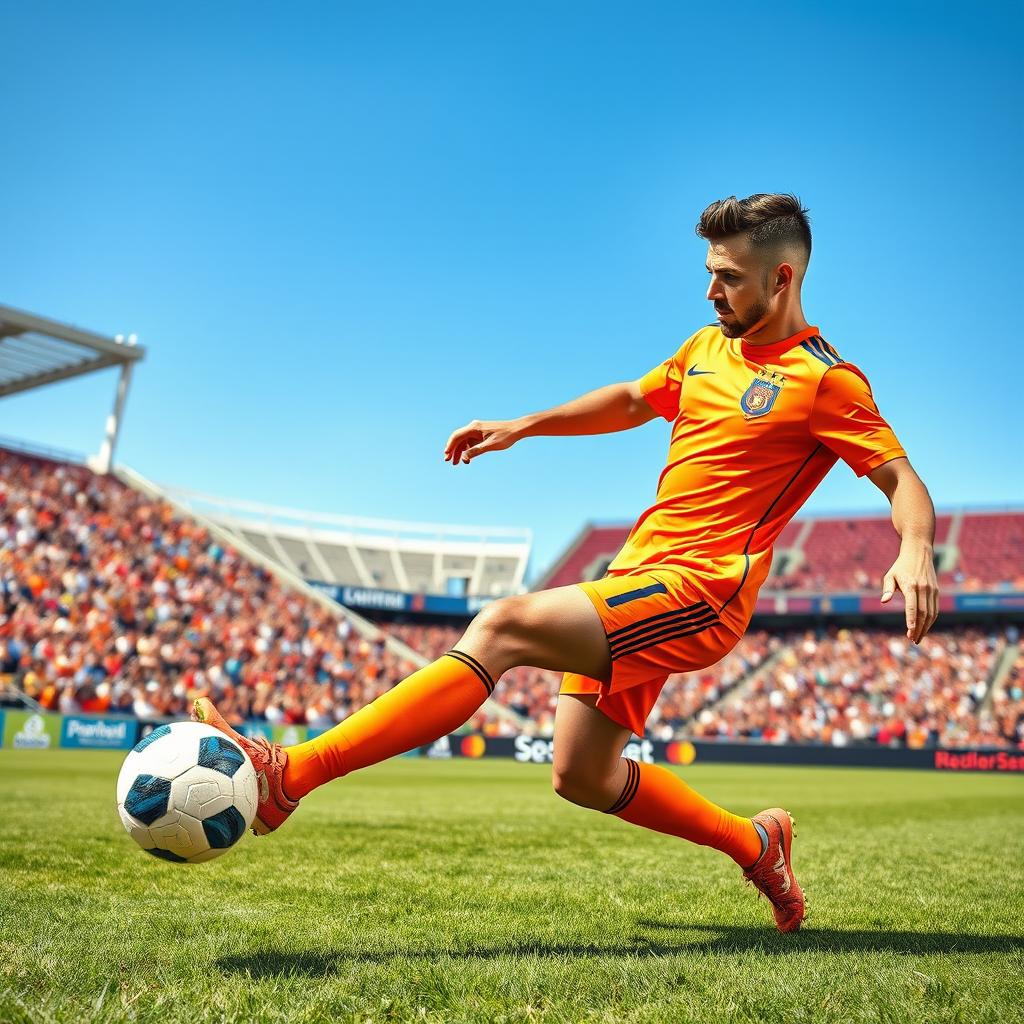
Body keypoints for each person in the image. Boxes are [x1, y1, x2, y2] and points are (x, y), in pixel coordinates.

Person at [195, 193, 940, 933]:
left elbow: (901, 479)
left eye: (730, 278)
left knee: (504, 626)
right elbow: (627, 401)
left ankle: (291, 776)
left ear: (782, 280)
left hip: (702, 592)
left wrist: (912, 547)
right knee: (581, 775)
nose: (711, 291)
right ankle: (757, 845)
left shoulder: (826, 380)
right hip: (635, 579)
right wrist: (526, 425)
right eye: (709, 272)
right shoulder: (704, 348)